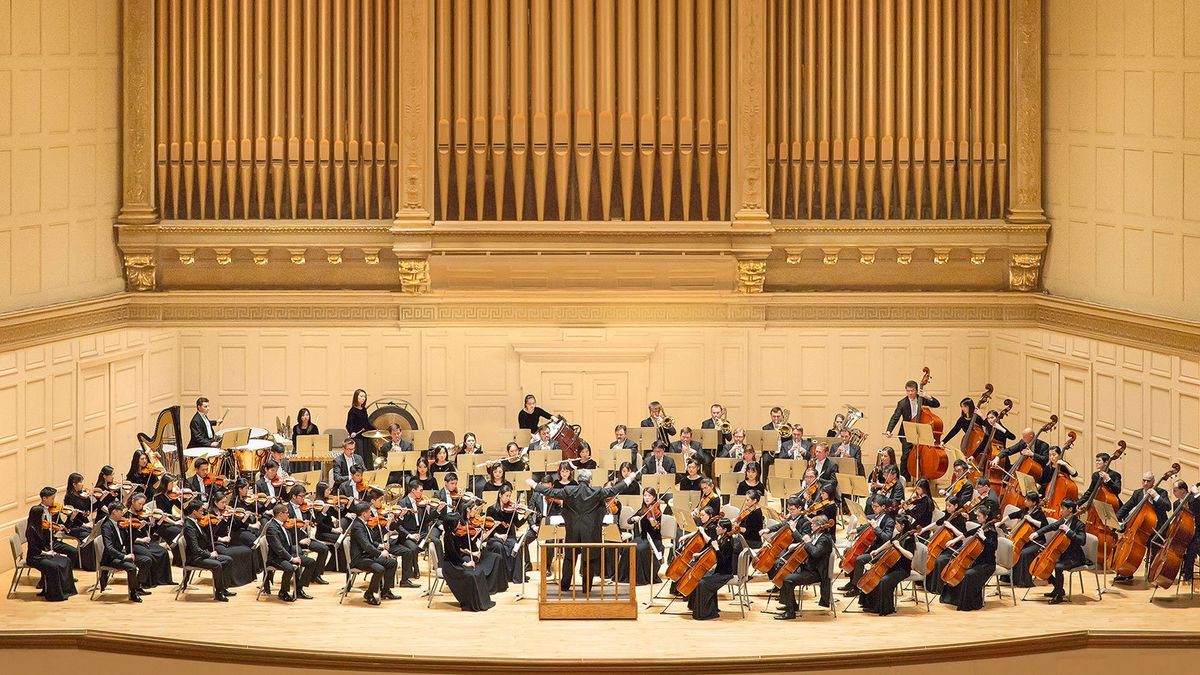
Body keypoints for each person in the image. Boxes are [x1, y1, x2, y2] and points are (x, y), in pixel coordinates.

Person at [526, 468, 638, 593]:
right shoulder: (596, 491)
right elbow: (614, 490)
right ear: (589, 480)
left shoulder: (569, 490)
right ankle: (586, 588)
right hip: (590, 532)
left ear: (578, 480)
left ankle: (564, 586)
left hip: (573, 530)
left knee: (569, 558)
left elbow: (550, 492)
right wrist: (629, 479)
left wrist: (534, 485)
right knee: (589, 559)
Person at [1018, 498, 1088, 604]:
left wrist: (1069, 531)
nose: (1061, 510)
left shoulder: (1079, 524)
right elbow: (1050, 527)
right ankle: (1058, 588)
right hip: (1063, 554)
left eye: (1063, 508)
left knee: (1058, 567)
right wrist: (1037, 533)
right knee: (1043, 564)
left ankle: (1059, 596)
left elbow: (1082, 541)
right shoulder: (1063, 520)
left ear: (1070, 509)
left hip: (1074, 557)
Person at [1111, 472, 1170, 582]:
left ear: (1153, 482)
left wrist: (1156, 496)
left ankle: (1153, 574)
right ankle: (1126, 572)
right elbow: (1126, 507)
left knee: (1155, 547)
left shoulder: (1161, 492)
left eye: (1148, 481)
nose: (1145, 483)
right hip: (1141, 529)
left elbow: (1168, 507)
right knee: (1129, 546)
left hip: (1157, 530)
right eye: (1144, 480)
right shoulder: (1137, 493)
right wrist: (1116, 520)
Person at [774, 513, 835, 619]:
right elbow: (809, 546)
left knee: (788, 580)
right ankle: (791, 605)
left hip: (816, 573)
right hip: (810, 568)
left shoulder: (825, 539)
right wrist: (800, 544)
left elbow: (815, 553)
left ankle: (790, 612)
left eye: (813, 524)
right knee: (784, 573)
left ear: (820, 526)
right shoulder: (817, 536)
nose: (811, 525)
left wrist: (807, 542)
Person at [940, 503, 998, 611]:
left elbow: (993, 547)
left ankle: (971, 603)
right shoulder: (981, 527)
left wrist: (983, 538)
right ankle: (955, 599)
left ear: (986, 517)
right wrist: (954, 540)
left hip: (987, 564)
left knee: (968, 574)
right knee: (960, 573)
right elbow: (967, 533)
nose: (977, 518)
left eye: (979, 516)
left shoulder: (991, 532)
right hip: (977, 562)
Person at [23, 487, 77, 601]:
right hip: (36, 556)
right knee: (54, 566)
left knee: (66, 560)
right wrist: (47, 552)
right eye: (42, 515)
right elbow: (34, 549)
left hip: (47, 547)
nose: (44, 517)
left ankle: (66, 588)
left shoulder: (43, 521)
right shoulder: (31, 529)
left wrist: (66, 522)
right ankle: (53, 593)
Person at [440, 508, 498, 611]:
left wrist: (470, 555)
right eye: (457, 522)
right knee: (472, 575)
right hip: (451, 566)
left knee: (478, 572)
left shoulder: (453, 534)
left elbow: (458, 550)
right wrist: (465, 563)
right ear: (452, 524)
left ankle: (481, 601)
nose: (459, 524)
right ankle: (472, 602)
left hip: (455, 562)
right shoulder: (448, 537)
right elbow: (453, 555)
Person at [857, 515, 916, 616]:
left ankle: (885, 608)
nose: (895, 526)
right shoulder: (899, 535)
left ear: (902, 526)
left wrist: (899, 547)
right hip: (893, 566)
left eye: (897, 524)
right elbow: (889, 542)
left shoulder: (909, 539)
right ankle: (870, 604)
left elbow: (910, 556)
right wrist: (877, 550)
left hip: (903, 569)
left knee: (884, 580)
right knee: (875, 577)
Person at [840, 496, 897, 598]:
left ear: (883, 507)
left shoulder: (889, 521)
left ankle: (856, 588)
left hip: (880, 551)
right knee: (853, 556)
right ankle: (852, 582)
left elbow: (887, 538)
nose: (873, 508)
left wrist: (876, 527)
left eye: (876, 507)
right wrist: (856, 530)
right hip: (872, 547)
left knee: (859, 559)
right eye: (873, 506)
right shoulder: (876, 516)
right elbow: (867, 525)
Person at [686, 518, 742, 620]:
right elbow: (710, 547)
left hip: (725, 573)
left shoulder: (728, 542)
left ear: (724, 529)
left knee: (702, 583)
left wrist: (717, 549)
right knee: (698, 578)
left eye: (718, 527)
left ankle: (707, 612)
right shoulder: (722, 537)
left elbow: (723, 561)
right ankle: (699, 608)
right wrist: (700, 554)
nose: (716, 528)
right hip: (718, 571)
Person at [884, 379, 941, 480]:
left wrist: (928, 396)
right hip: (907, 432)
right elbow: (895, 417)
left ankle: (923, 479)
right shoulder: (902, 403)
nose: (910, 393)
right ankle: (905, 480)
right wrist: (889, 430)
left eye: (912, 390)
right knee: (905, 456)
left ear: (916, 390)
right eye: (908, 391)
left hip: (921, 431)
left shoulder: (922, 399)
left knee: (923, 455)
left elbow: (937, 404)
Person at [346, 501, 399, 605]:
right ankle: (369, 593)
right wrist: (380, 553)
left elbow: (369, 541)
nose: (370, 514)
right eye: (369, 512)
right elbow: (366, 545)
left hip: (367, 555)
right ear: (364, 514)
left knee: (392, 562)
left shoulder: (362, 523)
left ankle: (385, 591)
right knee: (379, 569)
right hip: (359, 559)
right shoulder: (357, 526)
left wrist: (380, 546)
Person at [181, 502, 235, 601]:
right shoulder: (189, 527)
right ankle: (218, 593)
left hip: (201, 555)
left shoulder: (195, 522)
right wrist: (209, 554)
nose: (203, 513)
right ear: (194, 512)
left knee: (228, 560)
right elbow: (195, 549)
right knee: (217, 565)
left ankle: (223, 589)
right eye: (201, 510)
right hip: (194, 558)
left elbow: (205, 539)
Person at [97, 503, 150, 602]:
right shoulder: (106, 526)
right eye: (121, 511)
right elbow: (109, 548)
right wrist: (124, 557)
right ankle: (133, 593)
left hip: (122, 553)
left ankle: (137, 586)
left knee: (146, 560)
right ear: (114, 512)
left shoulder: (120, 524)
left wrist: (138, 529)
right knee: (132, 567)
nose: (122, 513)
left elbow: (128, 540)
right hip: (111, 558)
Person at [264, 504, 317, 601]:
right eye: (286, 513)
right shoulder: (272, 528)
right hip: (276, 558)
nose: (288, 515)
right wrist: (292, 559)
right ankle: (283, 592)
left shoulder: (283, 525)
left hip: (286, 555)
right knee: (289, 568)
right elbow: (278, 549)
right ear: (280, 514)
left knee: (311, 562)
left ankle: (299, 589)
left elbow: (287, 543)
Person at [284, 488, 331, 584]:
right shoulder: (286, 509)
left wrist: (321, 512)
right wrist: (299, 540)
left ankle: (316, 575)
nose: (303, 498)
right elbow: (286, 529)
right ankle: (298, 579)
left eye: (304, 496)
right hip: (292, 541)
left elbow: (315, 522)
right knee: (298, 552)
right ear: (294, 496)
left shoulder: (305, 508)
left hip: (305, 538)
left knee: (324, 549)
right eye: (301, 496)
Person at [1002, 490, 1048, 587]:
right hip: (1026, 541)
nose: (1025, 501)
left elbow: (1044, 526)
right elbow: (1012, 515)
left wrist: (1032, 520)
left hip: (1037, 541)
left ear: (1034, 503)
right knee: (1010, 549)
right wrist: (1001, 522)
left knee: (1024, 553)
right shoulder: (1025, 510)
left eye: (1028, 500)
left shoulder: (1039, 513)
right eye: (1025, 499)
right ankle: (1010, 577)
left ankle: (1024, 581)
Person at [620, 487, 665, 586]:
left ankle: (640, 577)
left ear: (654, 498)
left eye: (649, 496)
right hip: (643, 537)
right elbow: (629, 521)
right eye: (645, 495)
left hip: (654, 539)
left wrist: (654, 524)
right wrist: (634, 519)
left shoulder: (657, 511)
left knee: (639, 549)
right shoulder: (643, 509)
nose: (647, 498)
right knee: (627, 547)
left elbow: (656, 530)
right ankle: (627, 576)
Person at [1165, 479, 1200, 582]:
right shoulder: (1176, 504)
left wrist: (1197, 494)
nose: (1173, 492)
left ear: (1183, 490)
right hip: (1184, 533)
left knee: (1192, 548)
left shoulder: (1194, 499)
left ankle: (1187, 575)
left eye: (1175, 490)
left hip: (1197, 532)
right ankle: (1182, 571)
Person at [345, 388, 371, 464]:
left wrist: (376, 430)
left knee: (367, 458)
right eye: (361, 396)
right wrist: (351, 432)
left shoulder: (364, 410)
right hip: (357, 438)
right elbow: (348, 425)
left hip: (365, 437)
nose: (363, 398)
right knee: (360, 457)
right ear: (356, 397)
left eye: (364, 397)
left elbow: (366, 423)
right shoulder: (352, 411)